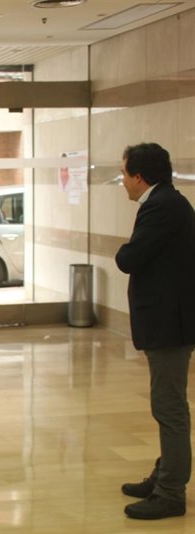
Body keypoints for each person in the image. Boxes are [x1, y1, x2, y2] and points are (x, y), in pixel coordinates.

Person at [116, 142, 195, 520]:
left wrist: (124, 251)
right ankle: (165, 475)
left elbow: (130, 258)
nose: (122, 181)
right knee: (167, 404)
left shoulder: (162, 206)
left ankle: (170, 492)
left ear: (139, 176)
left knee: (169, 407)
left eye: (124, 174)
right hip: (168, 323)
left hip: (170, 326)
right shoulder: (166, 202)